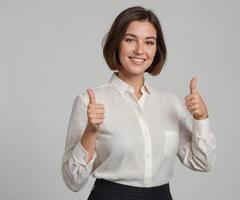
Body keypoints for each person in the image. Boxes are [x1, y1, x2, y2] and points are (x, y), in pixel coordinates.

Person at [61, 6, 216, 200]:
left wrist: (201, 118)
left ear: (156, 49)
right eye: (130, 40)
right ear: (116, 43)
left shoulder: (170, 104)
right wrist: (90, 131)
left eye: (149, 42)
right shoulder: (90, 101)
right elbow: (72, 181)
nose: (140, 50)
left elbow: (202, 162)